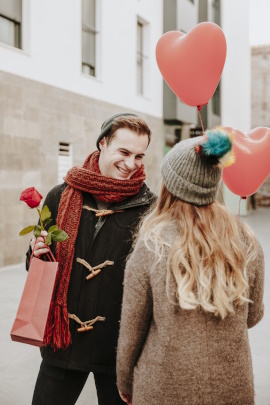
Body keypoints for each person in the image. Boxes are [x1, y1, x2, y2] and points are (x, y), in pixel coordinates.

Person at [117, 129, 265, 405]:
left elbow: (132, 328)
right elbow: (253, 315)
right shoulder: (245, 240)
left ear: (170, 185)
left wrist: (125, 380)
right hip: (232, 386)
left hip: (164, 385)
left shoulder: (153, 243)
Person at [26, 113, 156, 405]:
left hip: (118, 350)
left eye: (139, 156)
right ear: (102, 143)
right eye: (123, 152)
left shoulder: (151, 208)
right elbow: (37, 266)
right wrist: (34, 253)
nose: (131, 163)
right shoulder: (59, 196)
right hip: (63, 342)